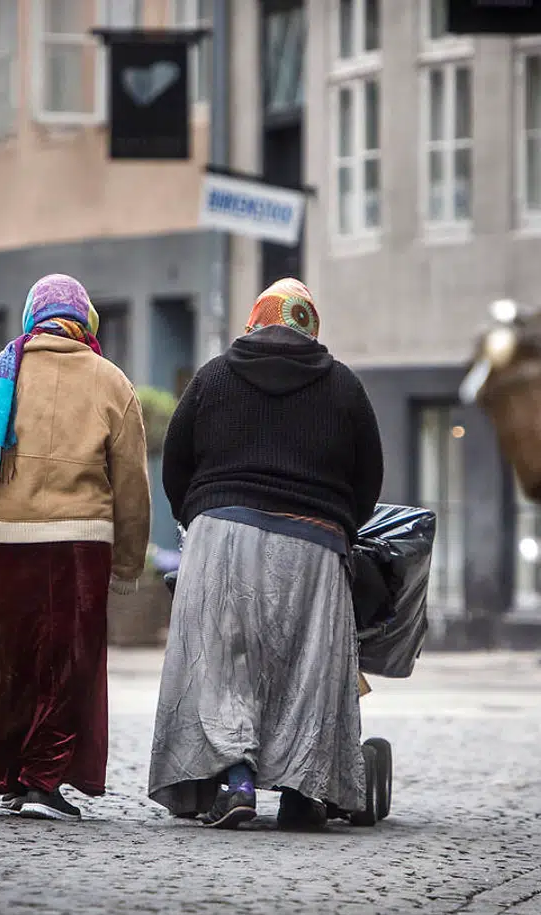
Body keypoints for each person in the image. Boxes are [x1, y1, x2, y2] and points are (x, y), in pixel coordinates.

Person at [148, 278, 384, 829]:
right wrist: (338, 523)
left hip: (222, 533)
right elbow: (369, 479)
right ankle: (305, 795)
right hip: (315, 542)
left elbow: (175, 465)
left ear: (255, 319)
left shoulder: (213, 378)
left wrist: (199, 521)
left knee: (224, 666)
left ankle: (235, 782)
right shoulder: (343, 387)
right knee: (309, 666)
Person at [0, 273, 150, 822]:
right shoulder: (112, 383)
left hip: (5, 543)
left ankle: (12, 776)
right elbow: (132, 488)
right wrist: (127, 565)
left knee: (7, 662)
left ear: (33, 315)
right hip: (81, 548)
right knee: (68, 666)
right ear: (86, 321)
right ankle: (42, 780)